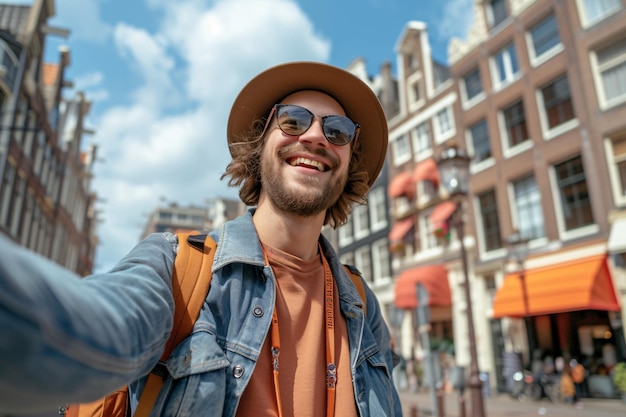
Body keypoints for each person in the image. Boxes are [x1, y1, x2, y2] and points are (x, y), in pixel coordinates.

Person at [0, 61, 401, 417]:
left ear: (349, 163)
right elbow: (95, 328)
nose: (316, 137)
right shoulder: (176, 269)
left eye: (338, 130)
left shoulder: (362, 305)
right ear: (259, 144)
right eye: (294, 121)